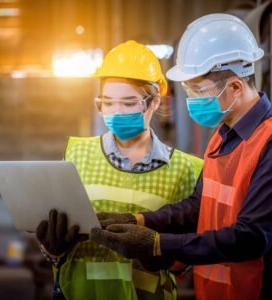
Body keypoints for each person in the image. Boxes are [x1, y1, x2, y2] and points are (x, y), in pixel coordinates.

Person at [91, 14, 272, 300]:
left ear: (235, 87)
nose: (191, 100)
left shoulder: (268, 143)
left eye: (198, 91)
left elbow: (250, 238)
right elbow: (198, 206)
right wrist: (139, 220)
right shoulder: (223, 135)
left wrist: (159, 245)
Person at [35, 40, 203, 300]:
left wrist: (159, 255)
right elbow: (57, 242)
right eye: (108, 103)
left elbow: (187, 257)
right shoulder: (77, 155)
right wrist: (53, 248)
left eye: (128, 103)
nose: (116, 112)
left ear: (155, 102)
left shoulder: (187, 169)